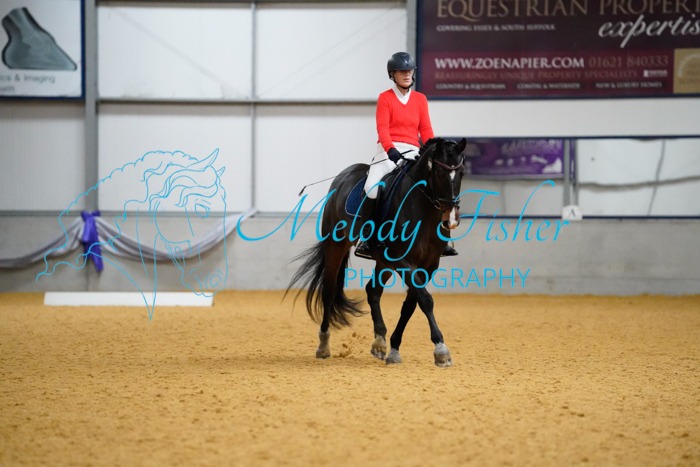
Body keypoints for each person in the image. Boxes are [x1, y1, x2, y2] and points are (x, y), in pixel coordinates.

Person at [354, 51, 458, 259]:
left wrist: (432, 149)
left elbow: (426, 130)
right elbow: (382, 128)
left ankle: (442, 238)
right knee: (371, 188)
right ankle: (367, 238)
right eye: (402, 71)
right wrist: (390, 150)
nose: (407, 74)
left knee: (434, 187)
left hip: (413, 151)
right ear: (392, 74)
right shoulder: (385, 98)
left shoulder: (420, 99)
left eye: (409, 70)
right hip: (387, 152)